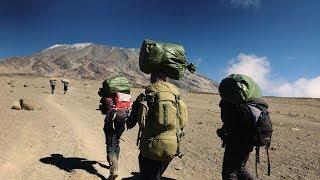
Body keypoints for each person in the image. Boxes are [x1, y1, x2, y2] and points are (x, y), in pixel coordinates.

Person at [129, 72, 188, 180]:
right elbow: (183, 121)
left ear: (152, 78)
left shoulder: (147, 95)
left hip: (151, 145)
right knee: (157, 174)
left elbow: (141, 122)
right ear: (165, 78)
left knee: (148, 175)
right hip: (172, 145)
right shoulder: (176, 96)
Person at [217, 98, 270, 180]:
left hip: (237, 139)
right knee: (240, 168)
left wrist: (222, 133)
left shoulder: (233, 102)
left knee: (229, 173)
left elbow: (228, 121)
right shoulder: (249, 101)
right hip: (251, 136)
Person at [99, 89, 132, 179]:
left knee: (110, 144)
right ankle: (114, 163)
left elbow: (103, 110)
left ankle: (114, 169)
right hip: (122, 122)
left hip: (111, 122)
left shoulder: (109, 98)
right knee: (116, 142)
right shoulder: (126, 98)